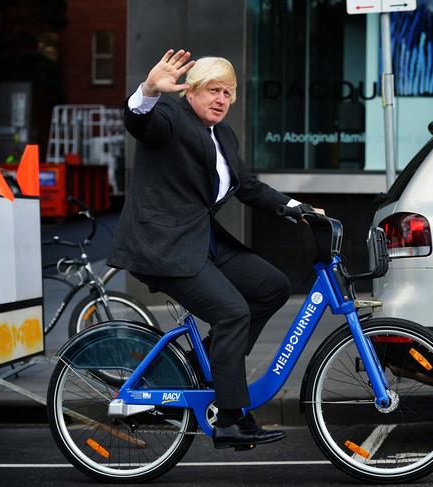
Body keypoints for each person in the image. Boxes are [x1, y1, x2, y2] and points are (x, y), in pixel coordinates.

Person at [107, 49, 318, 449]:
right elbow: (140, 121)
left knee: (272, 287)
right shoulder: (170, 118)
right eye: (213, 90)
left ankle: (207, 368)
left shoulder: (223, 135)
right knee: (232, 312)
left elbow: (248, 186)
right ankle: (231, 416)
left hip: (201, 241)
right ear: (191, 91)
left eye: (228, 92)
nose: (222, 99)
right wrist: (150, 89)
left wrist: (297, 209)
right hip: (163, 247)